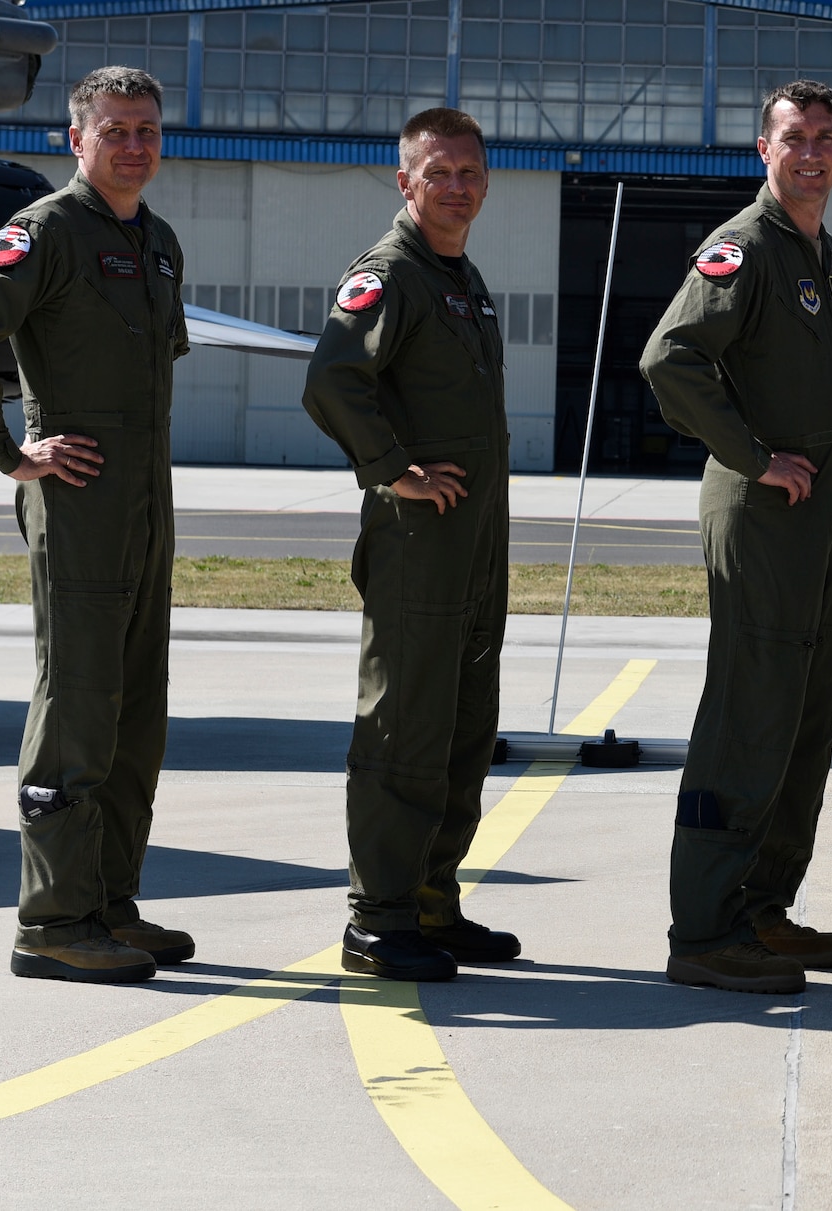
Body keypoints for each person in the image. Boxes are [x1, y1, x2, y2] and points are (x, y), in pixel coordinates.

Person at [0, 67, 193, 984]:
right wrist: (11, 451)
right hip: (78, 502)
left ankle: (109, 902)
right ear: (75, 141)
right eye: (115, 128)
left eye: (148, 129)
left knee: (134, 713)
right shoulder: (46, 231)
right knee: (77, 705)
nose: (133, 144)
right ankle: (52, 920)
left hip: (144, 503)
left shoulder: (155, 243)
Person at [641, 80, 832, 995]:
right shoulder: (746, 247)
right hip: (765, 515)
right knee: (750, 712)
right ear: (762, 152)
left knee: (806, 714)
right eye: (793, 138)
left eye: (825, 138)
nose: (810, 152)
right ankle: (703, 928)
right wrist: (756, 455)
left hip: (820, 520)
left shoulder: (826, 252)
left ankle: (761, 907)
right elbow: (670, 359)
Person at [301, 108, 520, 982]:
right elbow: (331, 379)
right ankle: (379, 916)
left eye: (469, 171)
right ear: (406, 182)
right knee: (403, 728)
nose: (457, 186)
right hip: (418, 544)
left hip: (472, 545)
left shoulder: (460, 278)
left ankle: (432, 900)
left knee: (464, 726)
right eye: (440, 172)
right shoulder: (390, 274)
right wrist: (393, 470)